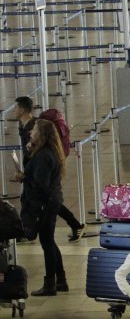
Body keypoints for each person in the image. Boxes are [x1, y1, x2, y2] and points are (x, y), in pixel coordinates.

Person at [13, 98, 85, 242]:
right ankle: (27, 230)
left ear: (21, 109)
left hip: (43, 167)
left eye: (15, 107)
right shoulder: (23, 126)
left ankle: (27, 231)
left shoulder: (35, 126)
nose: (13, 110)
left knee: (48, 198)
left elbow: (41, 147)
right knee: (43, 198)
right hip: (35, 166)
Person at [21, 120, 68, 295]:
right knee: (49, 241)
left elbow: (40, 184)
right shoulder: (45, 153)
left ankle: (50, 284)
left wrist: (23, 178)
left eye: (33, 130)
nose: (30, 133)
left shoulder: (43, 157)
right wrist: (29, 151)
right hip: (52, 201)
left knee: (47, 243)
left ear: (41, 134)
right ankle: (61, 280)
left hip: (44, 205)